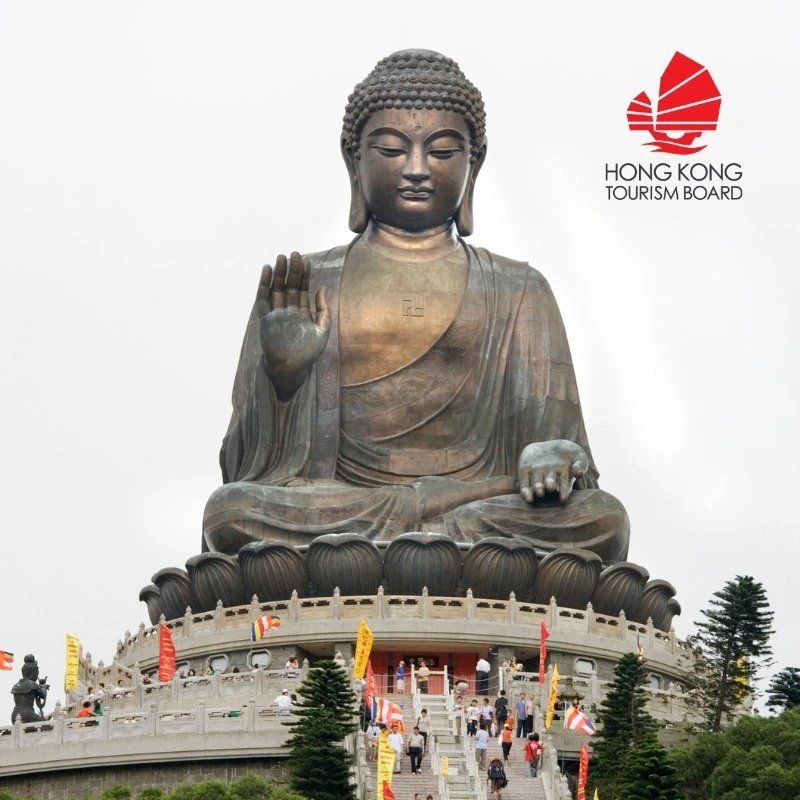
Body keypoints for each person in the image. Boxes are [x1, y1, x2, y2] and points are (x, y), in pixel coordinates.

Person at [202, 49, 630, 567]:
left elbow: (562, 458)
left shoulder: (519, 288)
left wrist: (554, 455)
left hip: (477, 509)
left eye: (444, 152)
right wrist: (284, 383)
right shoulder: (305, 285)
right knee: (230, 513)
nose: (417, 169)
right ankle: (424, 549)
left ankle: (409, 548)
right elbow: (245, 469)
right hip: (347, 509)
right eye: (390, 148)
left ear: (476, 163)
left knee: (602, 520)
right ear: (352, 159)